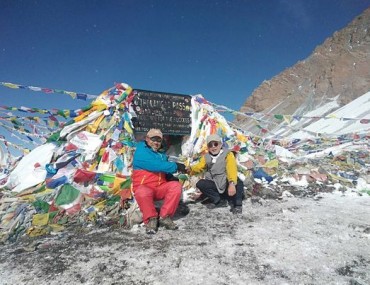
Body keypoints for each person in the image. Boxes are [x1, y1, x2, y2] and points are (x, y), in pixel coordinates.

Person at [132, 128, 187, 234]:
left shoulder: (161, 154)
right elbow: (155, 165)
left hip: (159, 187)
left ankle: (165, 216)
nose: (156, 142)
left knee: (176, 186)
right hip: (145, 187)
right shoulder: (141, 150)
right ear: (147, 139)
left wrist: (169, 176)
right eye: (153, 139)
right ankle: (151, 219)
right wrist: (175, 166)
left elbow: (161, 169)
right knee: (142, 192)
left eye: (159, 140)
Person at [189, 134, 244, 214]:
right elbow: (199, 166)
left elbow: (231, 169)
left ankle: (238, 205)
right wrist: (190, 168)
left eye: (216, 144)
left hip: (226, 182)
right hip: (214, 181)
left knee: (238, 183)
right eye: (210, 145)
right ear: (208, 147)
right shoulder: (206, 157)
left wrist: (231, 183)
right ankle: (219, 200)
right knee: (201, 184)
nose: (213, 147)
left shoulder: (228, 154)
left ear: (220, 144)